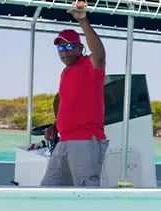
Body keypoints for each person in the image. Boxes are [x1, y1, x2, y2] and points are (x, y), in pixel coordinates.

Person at [40, 1, 109, 187]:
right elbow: (69, 105)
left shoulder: (90, 65)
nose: (65, 52)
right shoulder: (66, 73)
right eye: (61, 48)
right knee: (48, 189)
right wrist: (55, 126)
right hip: (64, 140)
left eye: (70, 47)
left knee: (87, 191)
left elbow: (100, 54)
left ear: (80, 48)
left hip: (86, 140)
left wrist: (83, 21)